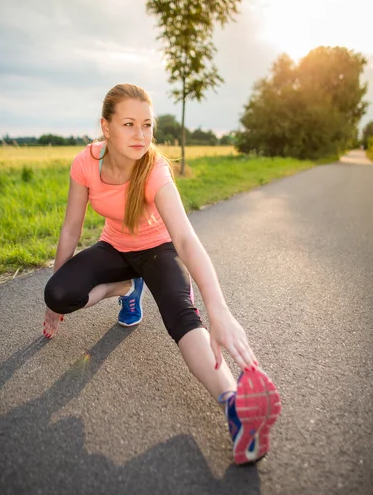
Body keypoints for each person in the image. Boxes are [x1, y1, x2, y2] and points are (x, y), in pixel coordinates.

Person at [43, 83, 281, 465]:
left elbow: (185, 239)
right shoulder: (86, 162)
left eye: (147, 125)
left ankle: (235, 405)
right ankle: (124, 288)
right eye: (129, 124)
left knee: (183, 319)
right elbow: (71, 229)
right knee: (57, 293)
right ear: (106, 127)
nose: (141, 135)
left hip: (158, 250)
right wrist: (54, 301)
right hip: (114, 249)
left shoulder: (154, 168)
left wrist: (218, 308)